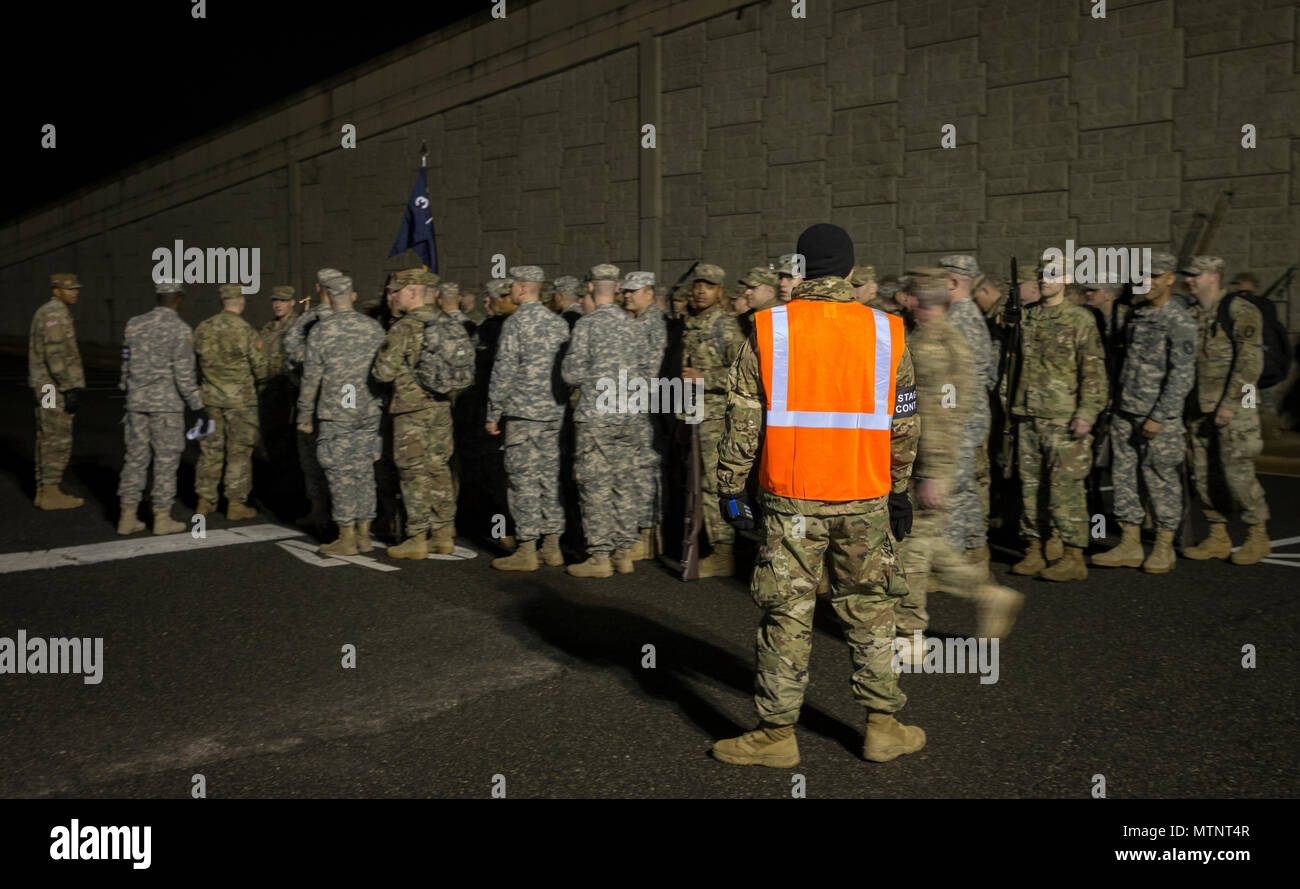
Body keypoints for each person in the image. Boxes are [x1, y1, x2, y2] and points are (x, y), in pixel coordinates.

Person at [711, 223, 924, 768]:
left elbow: (741, 420)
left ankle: (776, 736)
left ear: (800, 271)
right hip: (865, 497)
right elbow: (903, 423)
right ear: (852, 272)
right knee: (871, 608)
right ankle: (882, 727)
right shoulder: (888, 331)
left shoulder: (768, 327)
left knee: (787, 613)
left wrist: (732, 488)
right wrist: (900, 490)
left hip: (791, 499)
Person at [891, 270, 1023, 655]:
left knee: (912, 548)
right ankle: (986, 593)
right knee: (928, 544)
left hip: (925, 464)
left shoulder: (931, 346)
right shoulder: (946, 339)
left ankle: (910, 636)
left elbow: (938, 417)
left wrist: (933, 473)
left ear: (915, 301)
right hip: (933, 461)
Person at [1091, 252, 1195, 573]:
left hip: (1157, 414)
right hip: (1125, 409)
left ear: (1169, 279)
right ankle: (1130, 543)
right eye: (1142, 276)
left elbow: (1182, 374)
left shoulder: (1179, 320)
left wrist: (1160, 416)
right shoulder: (1137, 315)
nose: (1145, 282)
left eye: (1153, 276)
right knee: (1124, 477)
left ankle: (1164, 546)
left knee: (1160, 477)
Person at [1006, 260, 1107, 581]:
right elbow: (1013, 361)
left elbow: (1092, 369)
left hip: (1063, 416)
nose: (1044, 281)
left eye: (1051, 276)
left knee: (1066, 487)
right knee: (1030, 486)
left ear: (1066, 280)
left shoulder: (1080, 319)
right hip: (1028, 412)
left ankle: (1072, 553)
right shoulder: (1028, 316)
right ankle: (1035, 548)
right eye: (1041, 276)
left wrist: (1087, 413)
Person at [1181, 256, 1271, 564]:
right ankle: (1217, 535)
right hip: (1199, 407)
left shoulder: (1240, 310)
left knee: (1238, 473)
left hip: (1235, 407)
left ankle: (1257, 535)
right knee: (1205, 475)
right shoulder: (1190, 313)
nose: (1189, 280)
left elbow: (1250, 363)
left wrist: (1231, 404)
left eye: (1195, 275)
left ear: (1214, 277)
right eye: (1188, 275)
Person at [487, 266, 572, 571]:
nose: (508, 292)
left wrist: (493, 412)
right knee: (548, 477)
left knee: (522, 479)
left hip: (524, 413)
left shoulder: (516, 323)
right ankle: (552, 546)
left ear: (522, 288)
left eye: (511, 286)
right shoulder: (558, 324)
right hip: (553, 413)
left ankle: (527, 548)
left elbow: (504, 370)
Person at [296, 274, 386, 555]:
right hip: (369, 410)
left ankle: (346, 537)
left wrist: (304, 415)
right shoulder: (374, 328)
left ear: (328, 296)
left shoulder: (322, 331)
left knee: (340, 474)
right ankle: (365, 535)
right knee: (364, 471)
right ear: (353, 296)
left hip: (337, 412)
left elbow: (311, 378)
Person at [562, 269, 643, 576]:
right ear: (619, 288)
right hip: (629, 415)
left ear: (592, 287)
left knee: (595, 484)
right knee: (624, 482)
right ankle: (624, 553)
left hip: (597, 416)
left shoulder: (587, 324)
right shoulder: (633, 324)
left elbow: (572, 374)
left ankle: (599, 557)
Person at [116, 280, 207, 535]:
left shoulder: (134, 324)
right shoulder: (180, 329)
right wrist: (198, 407)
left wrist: (127, 386)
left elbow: (125, 360)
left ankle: (127, 517)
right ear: (179, 298)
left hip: (136, 403)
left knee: (134, 459)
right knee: (165, 461)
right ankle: (162, 518)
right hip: (166, 406)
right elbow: (185, 375)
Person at [193, 283, 268, 519]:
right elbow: (261, 368)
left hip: (210, 400)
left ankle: (205, 500)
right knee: (239, 453)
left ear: (222, 302)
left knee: (210, 451)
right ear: (241, 301)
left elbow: (193, 363)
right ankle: (235, 504)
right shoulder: (247, 331)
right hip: (241, 403)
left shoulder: (203, 328)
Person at [28, 272, 86, 509]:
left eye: (75, 288)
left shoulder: (50, 312)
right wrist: (69, 386)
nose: (74, 292)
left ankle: (44, 490)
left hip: (47, 385)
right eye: (69, 289)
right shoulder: (54, 315)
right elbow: (55, 355)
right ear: (56, 290)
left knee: (47, 435)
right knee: (57, 435)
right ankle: (50, 492)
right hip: (53, 387)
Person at [623, 271, 669, 560]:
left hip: (645, 406)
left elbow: (649, 370)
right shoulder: (633, 322)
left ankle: (648, 533)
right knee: (635, 469)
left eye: (633, 290)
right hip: (633, 404)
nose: (627, 295)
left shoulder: (652, 323)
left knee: (645, 470)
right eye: (625, 291)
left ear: (649, 293)